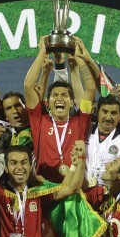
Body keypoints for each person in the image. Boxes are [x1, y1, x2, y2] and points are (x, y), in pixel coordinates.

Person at [24, 36, 96, 183]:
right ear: (48, 103)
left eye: (64, 95)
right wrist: (42, 53)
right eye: (54, 95)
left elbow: (90, 87)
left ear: (71, 103)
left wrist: (79, 58)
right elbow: (28, 85)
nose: (59, 98)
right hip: (43, 188)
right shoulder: (39, 119)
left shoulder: (81, 120)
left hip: (73, 186)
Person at [85, 94, 120, 187]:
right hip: (81, 190)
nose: (108, 117)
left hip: (107, 195)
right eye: (104, 111)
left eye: (113, 113)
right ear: (98, 112)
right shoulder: (84, 130)